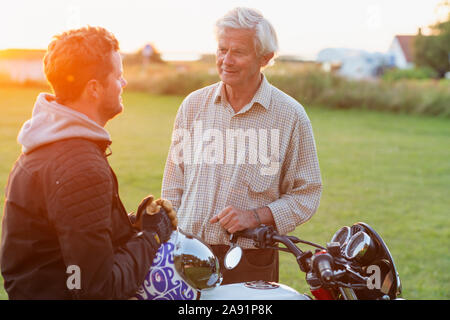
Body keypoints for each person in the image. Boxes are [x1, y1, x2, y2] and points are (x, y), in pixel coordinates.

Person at [0, 26, 175, 300]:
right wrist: (150, 238)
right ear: (93, 88)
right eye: (118, 76)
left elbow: (62, 244)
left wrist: (132, 225)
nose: (124, 83)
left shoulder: (44, 144)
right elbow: (96, 289)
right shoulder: (79, 166)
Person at [161, 7, 322, 284]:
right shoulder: (193, 106)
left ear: (265, 58)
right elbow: (173, 185)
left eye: (238, 52)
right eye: (222, 49)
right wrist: (169, 241)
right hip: (186, 255)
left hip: (249, 260)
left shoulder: (290, 116)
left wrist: (256, 216)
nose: (226, 60)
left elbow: (307, 194)